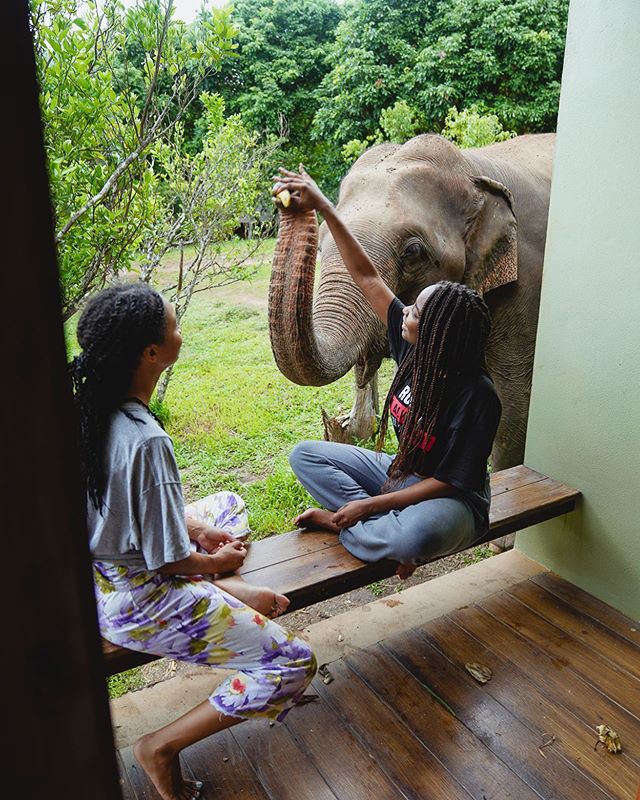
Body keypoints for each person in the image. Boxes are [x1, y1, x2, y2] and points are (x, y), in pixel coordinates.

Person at [70, 283, 316, 800]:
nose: (182, 331)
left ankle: (225, 592)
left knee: (225, 504)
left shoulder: (88, 411)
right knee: (292, 662)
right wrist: (213, 561)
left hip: (97, 581)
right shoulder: (146, 440)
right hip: (142, 599)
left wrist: (196, 528)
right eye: (175, 325)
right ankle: (160, 746)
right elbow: (169, 560)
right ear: (151, 353)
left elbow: (124, 509)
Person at [273, 166, 502, 580]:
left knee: (412, 539)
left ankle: (352, 525)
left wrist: (371, 504)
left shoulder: (478, 396)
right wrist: (323, 205)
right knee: (305, 456)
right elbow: (365, 274)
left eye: (413, 311)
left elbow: (451, 482)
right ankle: (372, 530)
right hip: (402, 472)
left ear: (435, 334)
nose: (403, 312)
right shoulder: (413, 349)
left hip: (453, 500)